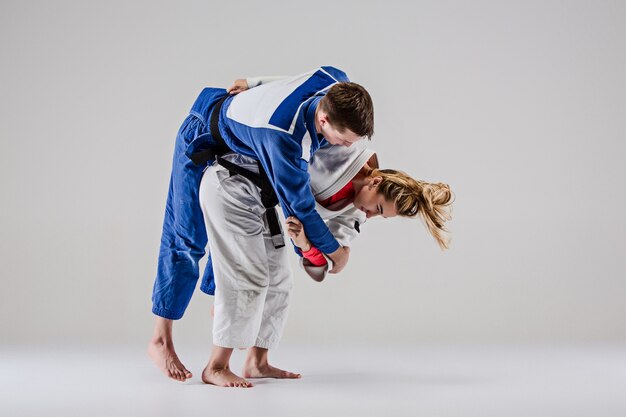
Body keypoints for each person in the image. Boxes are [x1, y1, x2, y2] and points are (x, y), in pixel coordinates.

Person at [149, 68, 374, 382]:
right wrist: (336, 253)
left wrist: (254, 83)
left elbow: (297, 78)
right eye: (343, 139)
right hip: (204, 132)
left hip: (241, 150)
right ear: (323, 119)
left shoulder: (334, 81)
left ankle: (238, 332)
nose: (347, 147)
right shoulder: (283, 138)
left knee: (236, 246)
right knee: (186, 237)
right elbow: (300, 211)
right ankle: (161, 337)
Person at [197, 139, 452, 387]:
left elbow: (327, 265)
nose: (371, 215)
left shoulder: (355, 212)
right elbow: (289, 135)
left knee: (280, 282)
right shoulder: (341, 152)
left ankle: (257, 362)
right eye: (378, 208)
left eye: (380, 216)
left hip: (262, 202)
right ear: (375, 182)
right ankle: (216, 366)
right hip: (233, 182)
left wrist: (307, 244)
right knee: (249, 280)